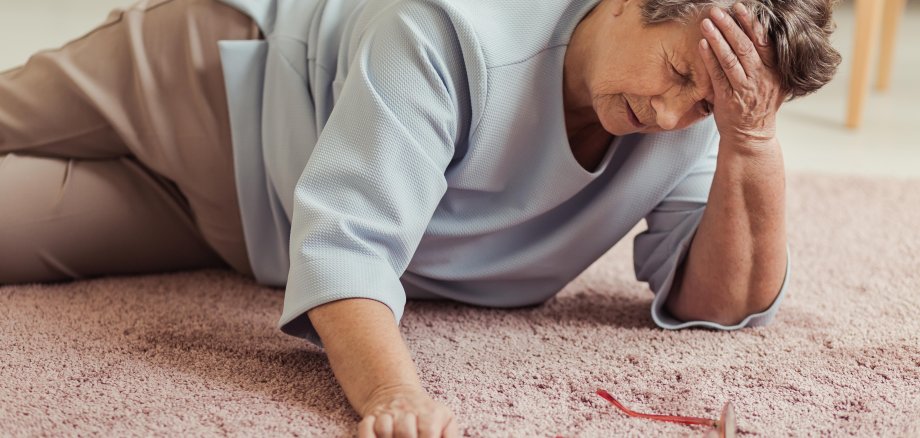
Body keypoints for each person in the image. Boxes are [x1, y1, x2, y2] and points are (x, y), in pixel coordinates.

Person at [0, 0, 840, 436]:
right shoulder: (447, 31)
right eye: (674, 72)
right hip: (212, 88)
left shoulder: (698, 124)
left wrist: (750, 141)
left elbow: (718, 302)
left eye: (709, 103)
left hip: (245, 227)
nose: (669, 115)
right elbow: (346, 243)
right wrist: (395, 394)